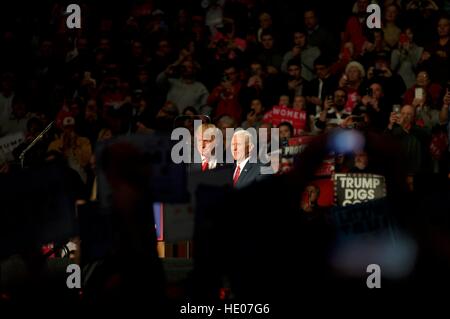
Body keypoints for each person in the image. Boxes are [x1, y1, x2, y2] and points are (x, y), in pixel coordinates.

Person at [48, 116, 92, 183]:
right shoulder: (54, 144)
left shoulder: (84, 141)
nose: (69, 131)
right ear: (62, 128)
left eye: (71, 128)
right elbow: (49, 163)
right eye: (66, 128)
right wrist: (62, 145)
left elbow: (85, 161)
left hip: (79, 177)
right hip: (60, 177)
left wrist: (74, 145)